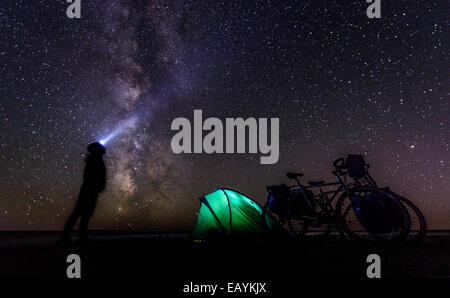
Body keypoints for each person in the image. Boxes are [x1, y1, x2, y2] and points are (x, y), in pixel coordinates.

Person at [60, 142, 106, 244]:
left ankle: (76, 237)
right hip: (89, 190)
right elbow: (93, 176)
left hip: (90, 190)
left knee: (83, 214)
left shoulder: (94, 160)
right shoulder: (95, 161)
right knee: (79, 214)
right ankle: (69, 237)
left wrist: (99, 187)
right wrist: (98, 186)